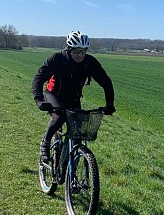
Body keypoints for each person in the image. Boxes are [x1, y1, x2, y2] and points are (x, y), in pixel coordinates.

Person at [32, 30, 115, 163]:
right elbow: (39, 78)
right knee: (59, 117)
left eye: (83, 52)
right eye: (76, 52)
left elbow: (106, 82)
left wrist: (109, 104)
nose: (80, 55)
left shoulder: (89, 62)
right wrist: (39, 99)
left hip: (74, 99)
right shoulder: (58, 59)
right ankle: (45, 143)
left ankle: (71, 170)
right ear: (69, 49)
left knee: (78, 132)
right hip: (54, 95)